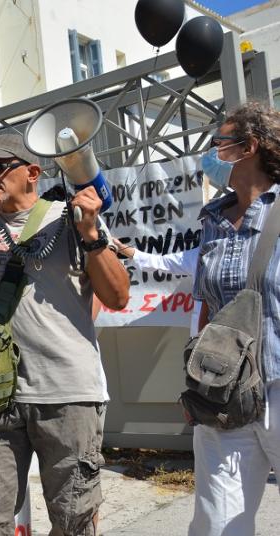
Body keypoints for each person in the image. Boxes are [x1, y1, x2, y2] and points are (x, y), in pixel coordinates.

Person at [0, 133, 129, 536]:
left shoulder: (71, 217)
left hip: (67, 392)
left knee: (73, 520)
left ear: (32, 173)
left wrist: (92, 235)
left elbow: (117, 296)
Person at [188, 102, 280, 536]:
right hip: (225, 396)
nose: (212, 154)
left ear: (249, 147)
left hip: (278, 383)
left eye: (219, 143)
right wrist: (197, 380)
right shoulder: (212, 218)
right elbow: (208, 308)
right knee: (216, 524)